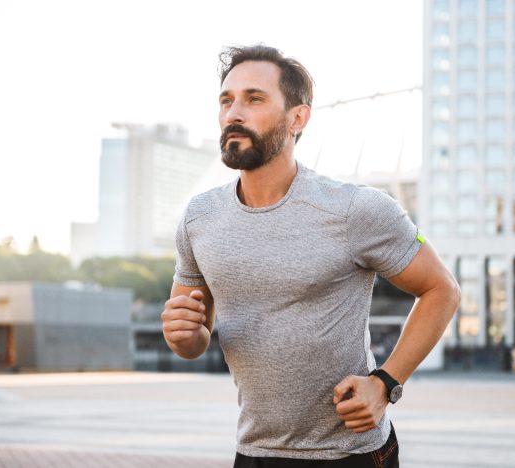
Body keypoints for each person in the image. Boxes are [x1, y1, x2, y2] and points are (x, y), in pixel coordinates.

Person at [161, 44, 461, 467]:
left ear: (297, 118)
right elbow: (194, 340)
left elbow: (441, 289)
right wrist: (182, 335)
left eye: (254, 99)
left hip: (352, 454)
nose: (233, 113)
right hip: (254, 453)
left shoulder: (356, 209)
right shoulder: (199, 217)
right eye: (226, 101)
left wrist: (386, 383)